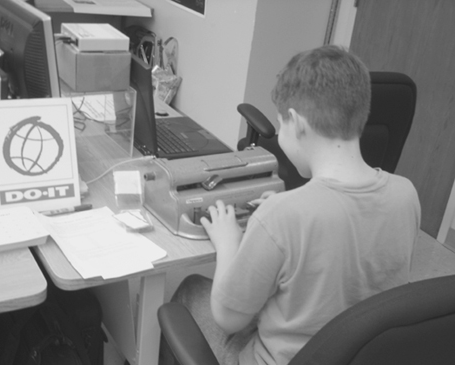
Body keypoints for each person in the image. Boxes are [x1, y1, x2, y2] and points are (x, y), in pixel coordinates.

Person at [161, 45, 421, 365]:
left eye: (280, 124)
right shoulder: (406, 195)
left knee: (190, 290)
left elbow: (229, 318)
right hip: (355, 355)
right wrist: (283, 211)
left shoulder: (283, 216)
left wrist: (229, 242)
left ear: (296, 123)